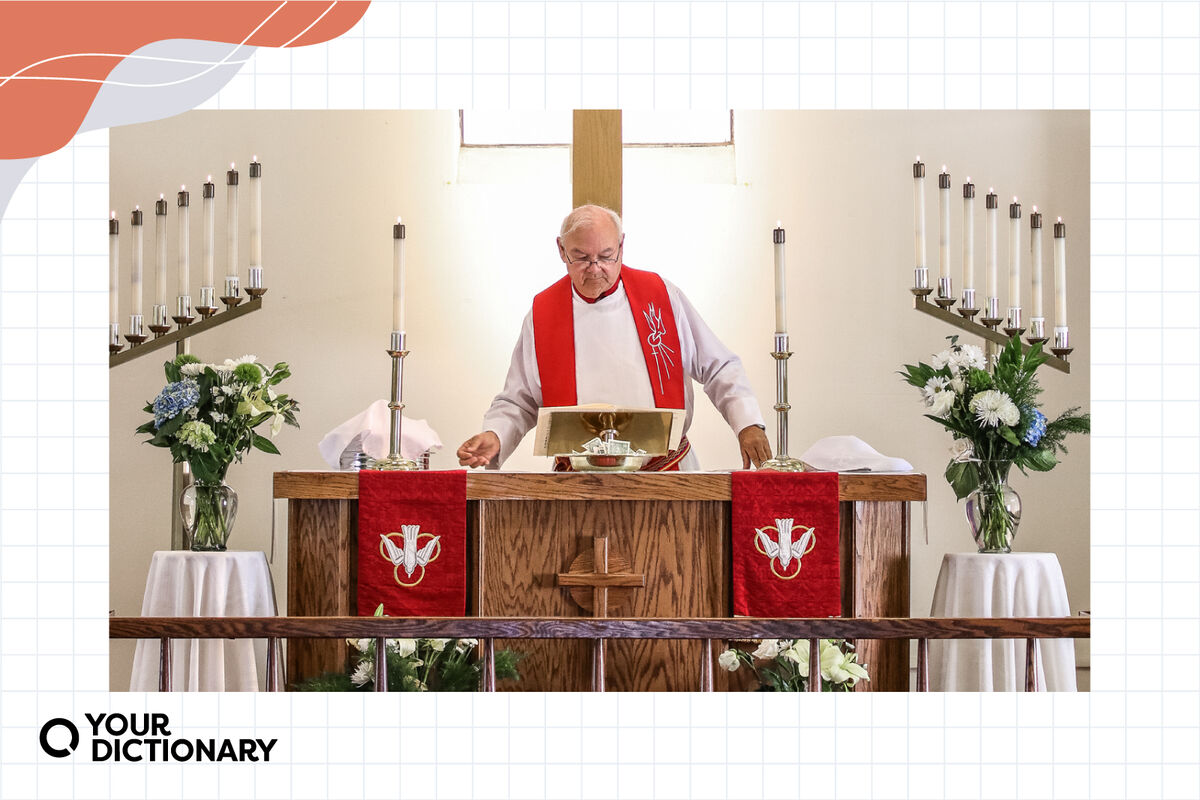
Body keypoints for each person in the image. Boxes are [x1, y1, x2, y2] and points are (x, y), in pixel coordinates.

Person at [457, 204, 772, 471]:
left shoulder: (660, 297)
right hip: (578, 482)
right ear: (560, 250)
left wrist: (747, 423)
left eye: (606, 256)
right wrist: (495, 434)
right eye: (581, 257)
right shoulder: (544, 312)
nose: (595, 268)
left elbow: (718, 365)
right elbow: (519, 399)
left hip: (666, 474)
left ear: (622, 246)